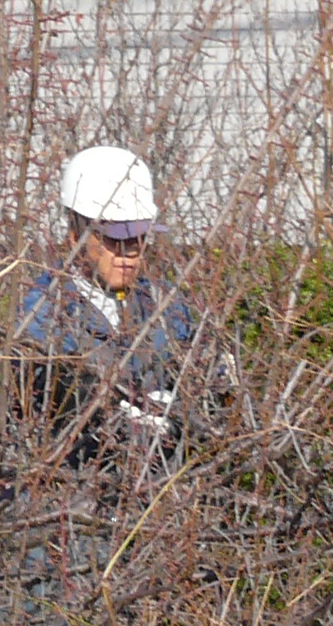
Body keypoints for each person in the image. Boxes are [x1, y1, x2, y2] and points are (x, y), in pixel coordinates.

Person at [14, 146, 224, 467]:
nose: (128, 253)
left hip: (160, 489)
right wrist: (122, 418)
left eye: (138, 239)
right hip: (75, 494)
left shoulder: (167, 306)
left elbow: (211, 387)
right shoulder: (43, 313)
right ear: (76, 236)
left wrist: (186, 408)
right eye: (114, 240)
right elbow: (58, 410)